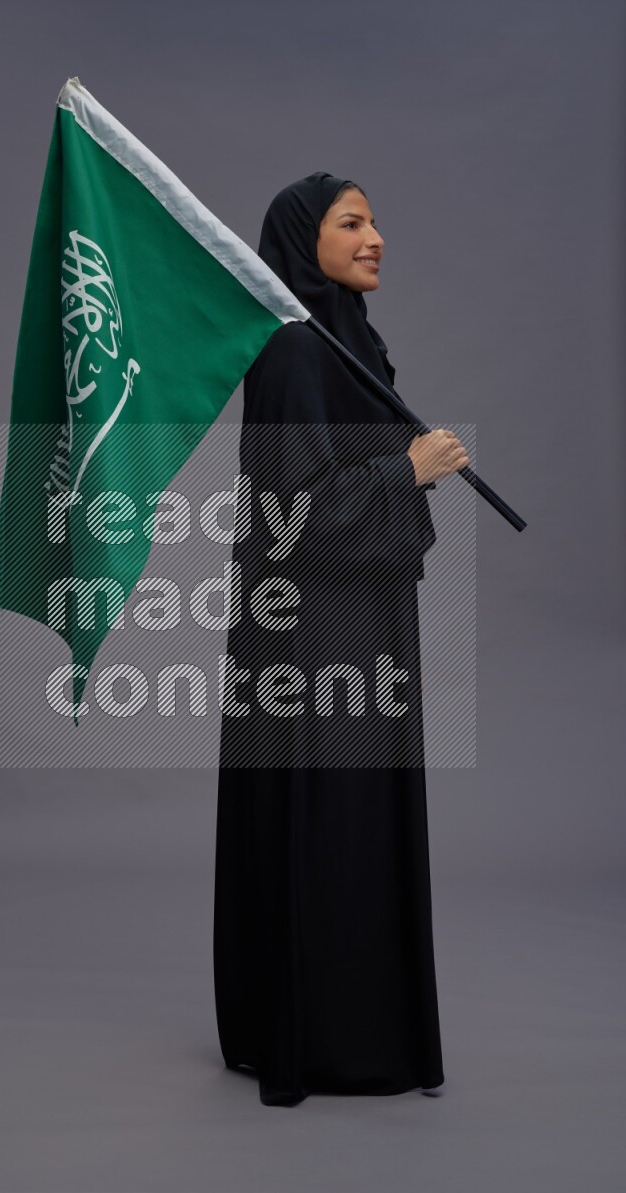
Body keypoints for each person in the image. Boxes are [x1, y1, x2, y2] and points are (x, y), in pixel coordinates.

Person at [213, 172, 470, 1106]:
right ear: (303, 241)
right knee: (328, 818)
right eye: (352, 222)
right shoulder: (291, 350)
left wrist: (402, 470)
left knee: (362, 820)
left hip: (364, 623)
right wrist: (410, 469)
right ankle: (317, 1038)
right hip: (311, 640)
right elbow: (295, 514)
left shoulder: (350, 341)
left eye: (374, 221)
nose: (376, 237)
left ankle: (362, 1025)